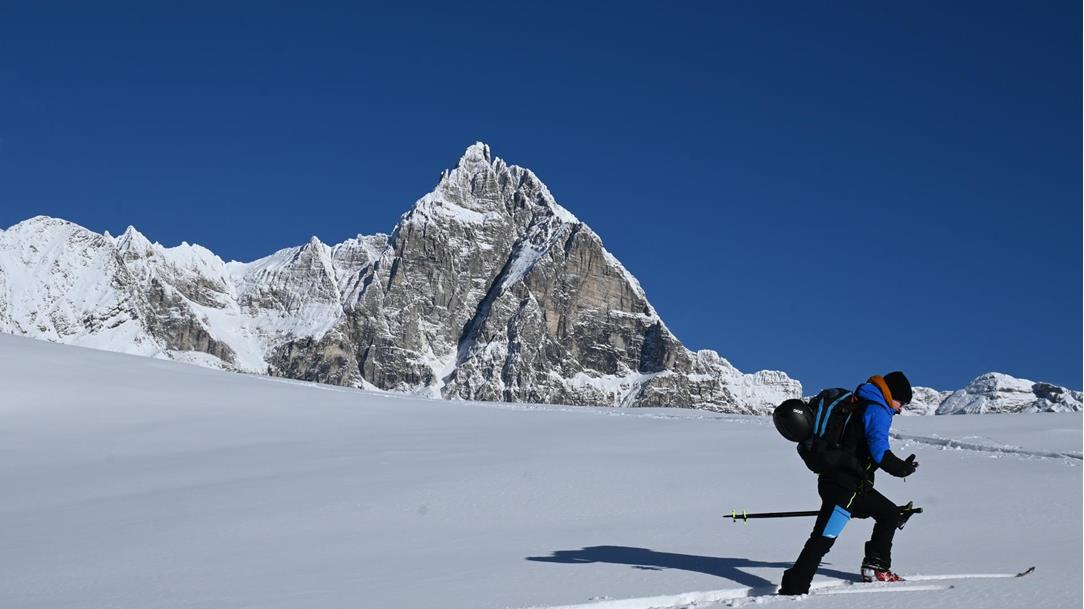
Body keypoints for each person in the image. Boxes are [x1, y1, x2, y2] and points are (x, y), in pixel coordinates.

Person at [778, 371, 919, 595]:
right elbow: (880, 452)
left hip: (848, 484)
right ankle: (793, 590)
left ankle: (876, 567)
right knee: (823, 539)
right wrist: (902, 468)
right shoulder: (877, 409)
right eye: (901, 402)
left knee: (890, 514)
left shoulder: (862, 401)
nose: (900, 409)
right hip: (844, 487)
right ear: (891, 394)